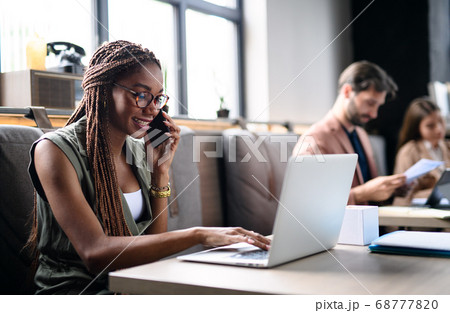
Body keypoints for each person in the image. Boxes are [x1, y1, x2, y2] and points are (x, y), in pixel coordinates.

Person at [26, 40, 270, 294]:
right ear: (104, 90)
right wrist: (199, 235)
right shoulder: (54, 150)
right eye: (141, 95)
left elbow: (151, 249)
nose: (153, 108)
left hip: (132, 286)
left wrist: (160, 172)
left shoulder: (136, 150)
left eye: (158, 98)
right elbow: (95, 253)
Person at [293, 60, 407, 205]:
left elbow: (368, 189)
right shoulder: (314, 139)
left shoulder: (361, 134)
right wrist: (360, 194)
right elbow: (309, 202)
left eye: (378, 106)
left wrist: (389, 190)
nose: (374, 114)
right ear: (347, 91)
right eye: (370, 103)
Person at [393, 98, 450, 205]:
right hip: (415, 212)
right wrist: (443, 192)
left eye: (441, 121)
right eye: (430, 126)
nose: (439, 129)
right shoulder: (409, 151)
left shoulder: (447, 147)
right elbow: (405, 195)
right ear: (417, 127)